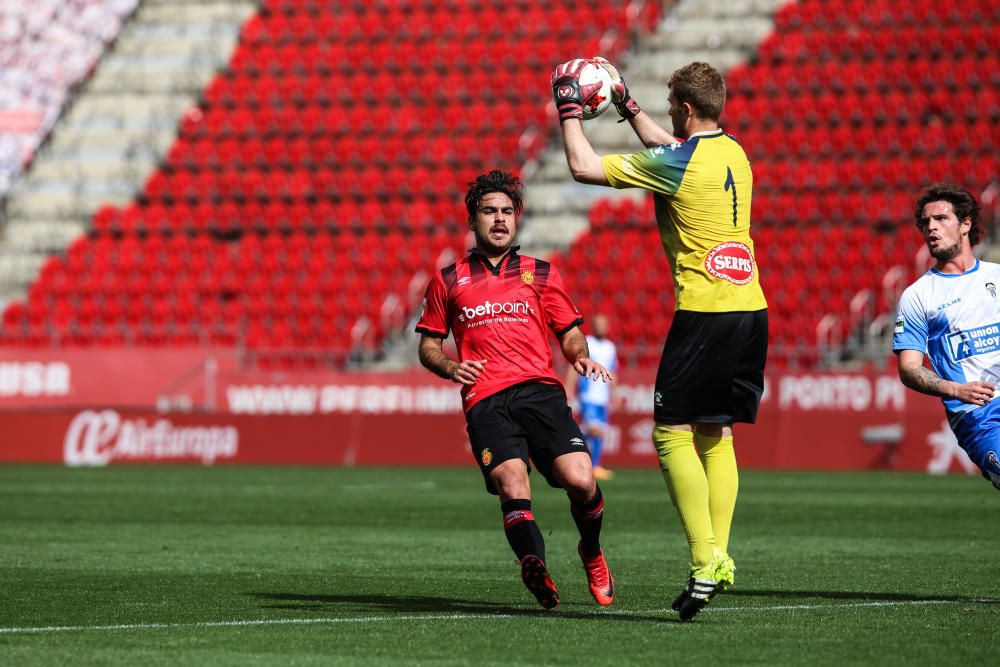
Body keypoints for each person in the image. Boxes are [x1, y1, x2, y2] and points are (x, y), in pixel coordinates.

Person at [549, 58, 768, 620]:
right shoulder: (734, 151)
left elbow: (581, 166)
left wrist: (569, 106)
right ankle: (719, 555)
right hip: (750, 309)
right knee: (716, 435)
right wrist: (627, 107)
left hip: (703, 312)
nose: (669, 113)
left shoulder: (676, 165)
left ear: (687, 108)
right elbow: (676, 147)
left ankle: (702, 562)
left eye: (673, 106)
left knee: (670, 433)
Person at [416, 169, 617, 610]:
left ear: (517, 218)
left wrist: (578, 355)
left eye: (507, 211)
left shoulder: (540, 274)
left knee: (581, 481)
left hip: (539, 393)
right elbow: (429, 344)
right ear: (473, 221)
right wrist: (451, 367)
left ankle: (591, 551)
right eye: (489, 211)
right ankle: (533, 563)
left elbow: (569, 331)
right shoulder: (447, 280)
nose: (499, 219)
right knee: (512, 483)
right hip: (486, 399)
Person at [893, 182, 1000, 491]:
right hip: (978, 416)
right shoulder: (919, 296)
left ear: (966, 224)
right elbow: (909, 368)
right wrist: (956, 390)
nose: (931, 228)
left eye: (941, 219)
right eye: (926, 222)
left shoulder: (995, 277)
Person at [564, 313, 618, 480]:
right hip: (588, 395)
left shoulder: (610, 347)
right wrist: (569, 387)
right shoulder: (587, 343)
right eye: (598, 324)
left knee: (597, 431)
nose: (601, 327)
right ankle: (593, 466)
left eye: (604, 324)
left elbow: (613, 371)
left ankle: (581, 455)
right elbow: (576, 366)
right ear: (593, 326)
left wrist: (615, 392)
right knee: (596, 431)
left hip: (603, 397)